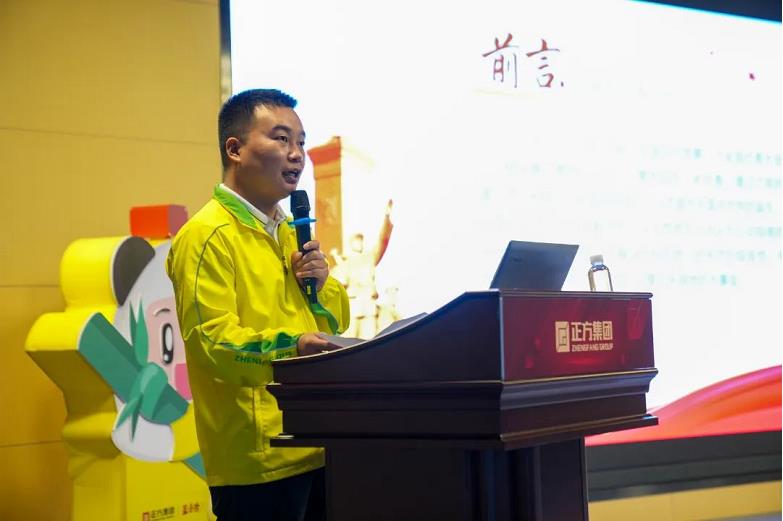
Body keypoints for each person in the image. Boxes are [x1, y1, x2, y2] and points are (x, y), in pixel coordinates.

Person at [166, 89, 350, 521]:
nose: (297, 155)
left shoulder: (289, 230)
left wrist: (322, 286)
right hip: (257, 460)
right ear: (235, 149)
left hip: (318, 443)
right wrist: (293, 347)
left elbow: (336, 322)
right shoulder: (208, 235)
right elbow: (212, 343)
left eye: (301, 142)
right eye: (281, 139)